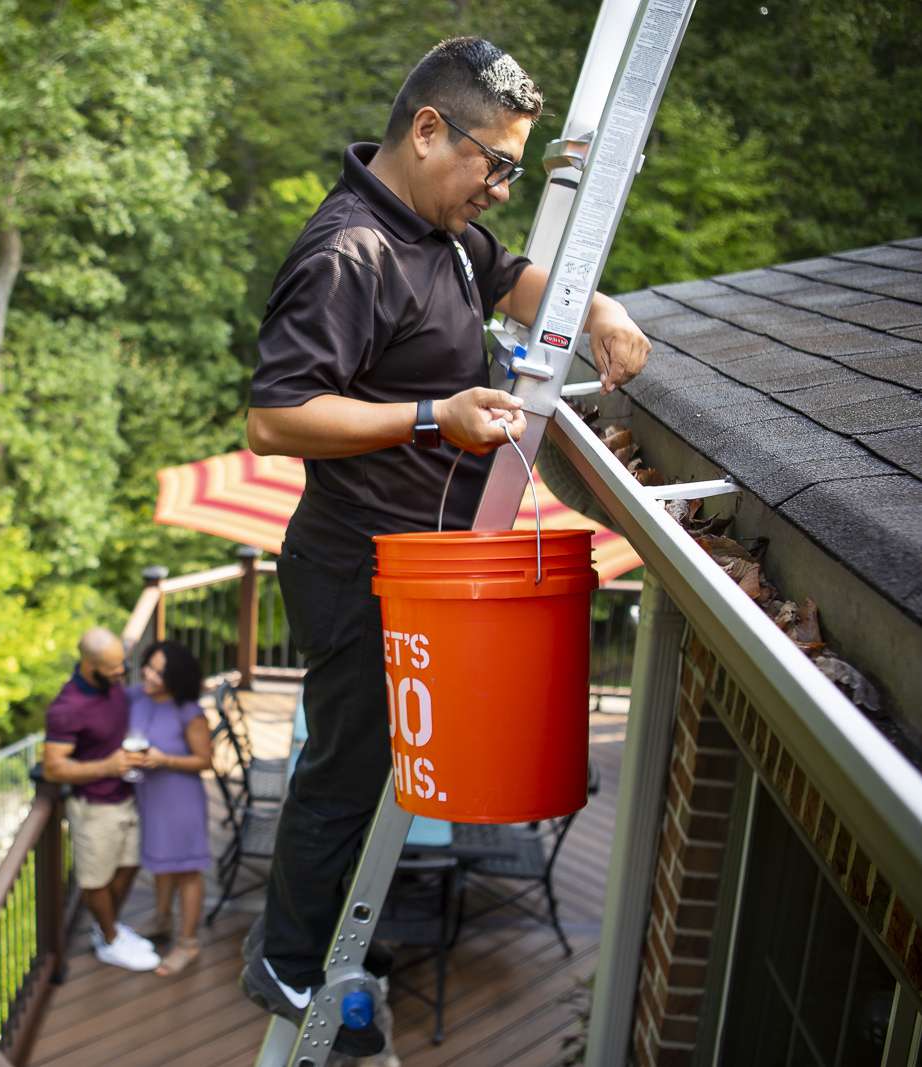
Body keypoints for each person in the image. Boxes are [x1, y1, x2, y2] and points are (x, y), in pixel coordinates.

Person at [240, 36, 651, 1055]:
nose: (504, 187)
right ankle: (287, 959)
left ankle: (342, 930)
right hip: (355, 561)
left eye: (516, 167)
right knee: (348, 762)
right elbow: (276, 418)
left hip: (425, 565)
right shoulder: (351, 254)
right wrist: (432, 415)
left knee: (395, 756)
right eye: (494, 162)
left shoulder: (437, 229)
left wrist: (591, 303)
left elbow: (511, 275)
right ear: (427, 131)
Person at [42, 627, 160, 972]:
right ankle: (109, 941)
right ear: (90, 665)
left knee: (129, 865)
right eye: (114, 668)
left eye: (122, 665)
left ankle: (106, 927)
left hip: (125, 795)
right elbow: (53, 768)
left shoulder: (112, 686)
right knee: (96, 880)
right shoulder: (66, 708)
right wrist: (107, 766)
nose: (122, 672)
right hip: (94, 807)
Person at [126, 639, 213, 977]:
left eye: (159, 673)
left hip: (180, 799)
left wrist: (165, 759)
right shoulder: (137, 696)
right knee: (162, 863)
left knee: (187, 869)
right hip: (150, 795)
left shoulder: (188, 712)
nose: (149, 674)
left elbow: (205, 761)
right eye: (149, 666)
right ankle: (161, 919)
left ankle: (188, 942)